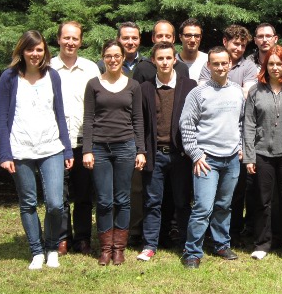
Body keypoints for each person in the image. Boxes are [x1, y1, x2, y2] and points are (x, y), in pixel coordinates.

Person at [0, 30, 74, 269]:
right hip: (20, 149)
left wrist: (67, 150)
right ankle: (37, 251)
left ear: (45, 52)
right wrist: (5, 153)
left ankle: (52, 247)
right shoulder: (9, 78)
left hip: (51, 147)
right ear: (22, 51)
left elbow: (60, 114)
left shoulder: (53, 76)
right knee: (28, 203)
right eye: (30, 49)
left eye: (39, 49)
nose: (35, 54)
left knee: (55, 203)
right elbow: (2, 118)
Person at [179, 46, 245, 269]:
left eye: (223, 63)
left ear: (230, 64)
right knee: (203, 208)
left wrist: (241, 146)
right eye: (215, 63)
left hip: (232, 158)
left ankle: (221, 244)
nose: (220, 67)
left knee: (224, 205)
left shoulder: (237, 90)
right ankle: (192, 252)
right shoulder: (198, 93)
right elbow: (186, 125)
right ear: (209, 66)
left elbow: (241, 122)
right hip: (207, 159)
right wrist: (196, 154)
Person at [82, 39, 146, 266]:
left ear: (122, 58)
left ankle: (119, 248)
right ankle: (105, 248)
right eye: (108, 56)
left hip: (125, 147)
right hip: (99, 147)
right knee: (104, 200)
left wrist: (141, 150)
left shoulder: (133, 85)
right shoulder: (93, 84)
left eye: (117, 55)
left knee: (123, 199)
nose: (113, 59)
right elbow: (88, 119)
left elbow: (138, 119)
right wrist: (87, 149)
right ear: (103, 57)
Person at [243, 45, 282, 261]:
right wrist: (249, 156)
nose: (275, 67)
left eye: (279, 63)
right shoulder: (255, 90)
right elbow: (249, 125)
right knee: (262, 200)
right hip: (262, 154)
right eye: (271, 63)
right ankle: (263, 243)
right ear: (265, 65)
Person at [137, 42, 197, 261]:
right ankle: (150, 244)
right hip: (155, 153)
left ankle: (184, 243)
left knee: (182, 202)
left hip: (181, 155)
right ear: (153, 61)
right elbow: (140, 123)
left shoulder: (189, 86)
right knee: (152, 202)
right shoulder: (144, 89)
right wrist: (141, 150)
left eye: (168, 58)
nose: (164, 62)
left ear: (175, 60)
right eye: (160, 58)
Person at [51, 21, 101, 256]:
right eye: (66, 38)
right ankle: (62, 238)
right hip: (54, 142)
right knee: (58, 194)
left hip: (83, 141)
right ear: (59, 39)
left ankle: (82, 238)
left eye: (75, 38)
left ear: (80, 41)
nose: (71, 42)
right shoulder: (47, 67)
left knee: (82, 195)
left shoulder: (91, 68)